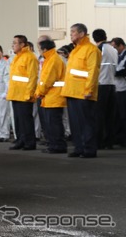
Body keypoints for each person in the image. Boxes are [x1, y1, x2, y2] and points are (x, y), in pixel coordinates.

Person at [62, 23, 101, 158]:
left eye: (73, 31)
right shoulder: (76, 50)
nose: (71, 34)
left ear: (82, 34)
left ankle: (89, 149)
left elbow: (92, 71)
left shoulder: (91, 49)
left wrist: (89, 89)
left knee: (86, 123)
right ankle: (79, 147)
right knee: (75, 123)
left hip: (83, 93)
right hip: (72, 91)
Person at [7, 35, 39, 150]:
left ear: (22, 44)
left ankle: (29, 142)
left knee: (26, 120)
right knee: (18, 121)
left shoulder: (30, 57)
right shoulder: (17, 57)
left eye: (15, 43)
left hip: (24, 95)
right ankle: (20, 140)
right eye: (13, 43)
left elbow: (32, 77)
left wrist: (29, 94)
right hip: (15, 94)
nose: (13, 45)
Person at [35, 38, 67, 154]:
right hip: (51, 96)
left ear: (44, 49)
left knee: (54, 123)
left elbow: (47, 80)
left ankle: (58, 145)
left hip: (53, 96)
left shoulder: (53, 60)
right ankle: (54, 144)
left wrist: (40, 92)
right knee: (52, 123)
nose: (39, 51)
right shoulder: (51, 58)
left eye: (39, 49)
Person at [92, 28, 118, 149]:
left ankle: (98, 142)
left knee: (98, 115)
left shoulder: (98, 49)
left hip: (101, 84)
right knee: (109, 115)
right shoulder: (113, 49)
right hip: (112, 85)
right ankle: (109, 142)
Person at [110, 37, 126, 147]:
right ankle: (119, 137)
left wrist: (112, 72)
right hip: (117, 88)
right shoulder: (117, 56)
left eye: (115, 47)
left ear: (121, 46)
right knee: (117, 115)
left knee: (123, 115)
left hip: (123, 89)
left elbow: (122, 70)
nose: (114, 50)